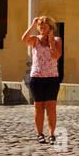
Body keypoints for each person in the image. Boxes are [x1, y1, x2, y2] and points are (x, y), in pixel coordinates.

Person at [21, 15, 62, 143]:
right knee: (38, 107)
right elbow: (23, 39)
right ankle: (40, 134)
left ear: (50, 28)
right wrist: (33, 24)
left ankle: (51, 134)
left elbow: (56, 55)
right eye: (40, 27)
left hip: (52, 78)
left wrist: (50, 42)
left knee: (51, 107)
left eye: (44, 27)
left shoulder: (57, 40)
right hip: (37, 77)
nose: (42, 29)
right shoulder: (35, 40)